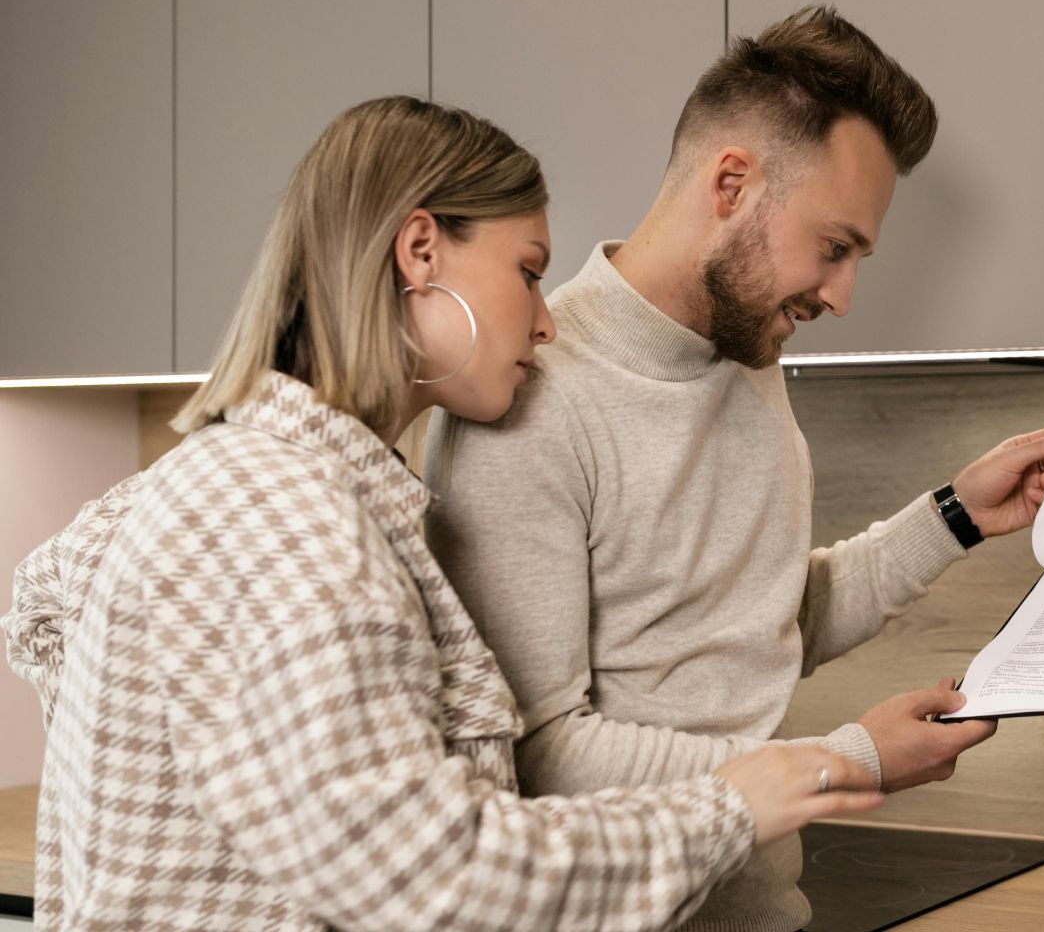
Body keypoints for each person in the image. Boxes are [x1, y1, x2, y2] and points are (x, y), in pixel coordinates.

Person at [3, 96, 883, 931]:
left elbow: (43, 603)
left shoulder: (249, 485)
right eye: (528, 272)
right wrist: (737, 800)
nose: (545, 323)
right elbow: (433, 880)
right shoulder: (293, 524)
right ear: (420, 251)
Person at [424, 5, 1044, 932]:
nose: (842, 295)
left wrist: (954, 517)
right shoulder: (532, 398)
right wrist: (847, 758)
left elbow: (762, 623)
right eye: (835, 247)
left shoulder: (747, 354)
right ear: (732, 183)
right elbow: (536, 755)